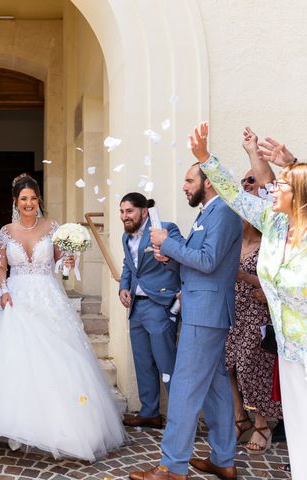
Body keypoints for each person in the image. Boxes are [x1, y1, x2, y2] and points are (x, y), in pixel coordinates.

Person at [0, 174, 127, 461]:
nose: (28, 203)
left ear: (39, 201)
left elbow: (59, 263)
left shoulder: (53, 228)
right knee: (15, 361)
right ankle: (15, 426)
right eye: (23, 199)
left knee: (55, 359)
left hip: (48, 297)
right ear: (16, 202)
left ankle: (57, 426)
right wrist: (2, 291)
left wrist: (68, 261)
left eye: (33, 198)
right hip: (16, 297)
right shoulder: (5, 231)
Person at [189, 122, 307, 479]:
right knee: (300, 423)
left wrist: (294, 162)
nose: (270, 188)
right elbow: (233, 195)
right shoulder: (273, 224)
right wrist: (205, 158)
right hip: (289, 349)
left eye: (280, 185)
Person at [131, 152, 243, 479]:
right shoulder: (210, 212)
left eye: (189, 180)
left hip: (205, 313)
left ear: (208, 183)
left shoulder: (223, 211)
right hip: (204, 310)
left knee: (183, 389)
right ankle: (223, 459)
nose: (184, 186)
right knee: (216, 388)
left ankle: (172, 466)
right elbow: (203, 262)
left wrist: (168, 244)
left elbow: (208, 261)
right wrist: (172, 257)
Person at [225, 129, 282, 455]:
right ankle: (238, 417)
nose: (247, 187)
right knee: (227, 363)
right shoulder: (234, 234)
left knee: (249, 365)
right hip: (233, 308)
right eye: (243, 183)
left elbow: (279, 281)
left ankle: (263, 424)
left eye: (252, 183)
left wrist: (253, 154)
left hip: (259, 313)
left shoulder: (273, 236)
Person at [118, 193, 181, 429]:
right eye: (122, 211)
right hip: (136, 306)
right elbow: (129, 265)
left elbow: (179, 257)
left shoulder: (165, 229)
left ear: (144, 211)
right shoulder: (126, 237)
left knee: (167, 363)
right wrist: (124, 287)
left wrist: (165, 250)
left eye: (129, 211)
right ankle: (150, 412)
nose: (124, 216)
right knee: (143, 362)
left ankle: (180, 419)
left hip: (160, 304)